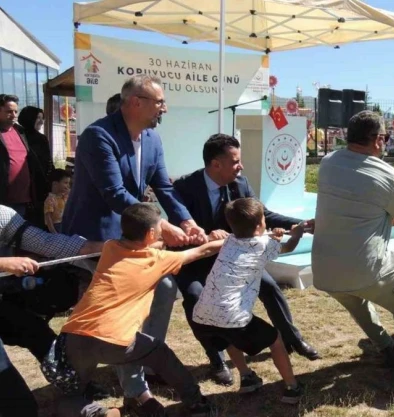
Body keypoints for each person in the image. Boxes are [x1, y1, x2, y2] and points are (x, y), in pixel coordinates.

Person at [62, 75, 207, 415]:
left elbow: (164, 187)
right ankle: (136, 391)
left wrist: (186, 221)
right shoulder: (98, 136)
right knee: (134, 299)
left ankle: (141, 369)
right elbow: (114, 194)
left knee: (165, 288)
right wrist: (162, 226)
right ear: (136, 102)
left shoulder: (153, 138)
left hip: (134, 237)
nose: (164, 109)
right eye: (160, 102)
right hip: (94, 238)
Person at [173, 134, 319, 387]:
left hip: (236, 259)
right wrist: (205, 236)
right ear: (216, 164)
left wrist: (301, 225)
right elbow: (178, 227)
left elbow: (262, 216)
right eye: (235, 161)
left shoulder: (240, 183)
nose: (241, 166)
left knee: (270, 287)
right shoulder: (184, 187)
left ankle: (292, 339)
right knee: (196, 299)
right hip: (198, 258)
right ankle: (216, 358)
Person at [53, 203, 222, 417]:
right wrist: (231, 239)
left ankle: (95, 412)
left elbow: (145, 245)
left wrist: (165, 241)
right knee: (160, 353)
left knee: (72, 394)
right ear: (150, 233)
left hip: (74, 334)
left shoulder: (110, 247)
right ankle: (197, 404)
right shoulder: (157, 260)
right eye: (159, 230)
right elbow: (202, 251)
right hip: (114, 339)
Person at [312, 110, 394, 381]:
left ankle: (387, 348)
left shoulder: (328, 162)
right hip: (365, 267)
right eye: (386, 137)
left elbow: (355, 203)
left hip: (323, 270)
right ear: (378, 139)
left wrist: (384, 213)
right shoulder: (389, 176)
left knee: (356, 300)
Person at [191, 198, 306, 404]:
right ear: (261, 224)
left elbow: (251, 240)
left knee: (228, 336)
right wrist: (296, 233)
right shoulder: (264, 244)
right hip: (233, 316)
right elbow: (288, 247)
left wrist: (272, 236)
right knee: (275, 341)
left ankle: (247, 377)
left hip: (203, 315)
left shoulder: (228, 241)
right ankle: (292, 387)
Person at [0, 204, 104, 417]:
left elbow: (47, 243)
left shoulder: (2, 215)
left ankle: (75, 386)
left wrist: (107, 247)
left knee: (35, 331)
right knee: (16, 399)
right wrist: (3, 263)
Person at [0, 95, 49, 226]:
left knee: (17, 236)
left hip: (23, 200)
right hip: (3, 202)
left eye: (15, 111)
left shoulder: (20, 131)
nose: (13, 115)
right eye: (9, 111)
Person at [18, 106, 54, 183]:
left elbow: (48, 161)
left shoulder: (42, 138)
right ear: (29, 118)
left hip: (39, 181)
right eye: (38, 118)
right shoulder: (17, 135)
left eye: (42, 118)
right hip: (21, 179)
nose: (41, 122)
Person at [44, 169, 71, 233]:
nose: (68, 186)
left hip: (66, 224)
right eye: (65, 183)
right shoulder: (50, 200)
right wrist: (54, 232)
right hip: (57, 225)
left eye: (68, 183)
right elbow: (48, 218)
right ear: (55, 184)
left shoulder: (65, 196)